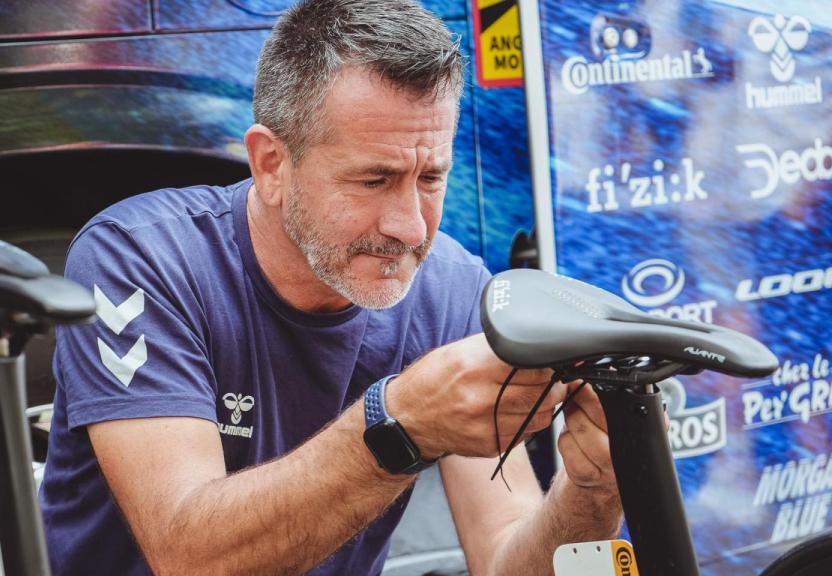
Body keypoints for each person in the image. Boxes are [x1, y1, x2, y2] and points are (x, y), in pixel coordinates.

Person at [39, 0, 622, 574]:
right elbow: (190, 559)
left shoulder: (450, 286)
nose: (411, 227)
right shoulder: (141, 257)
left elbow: (504, 559)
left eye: (431, 177)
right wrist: (397, 424)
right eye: (374, 179)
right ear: (270, 164)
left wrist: (591, 494)